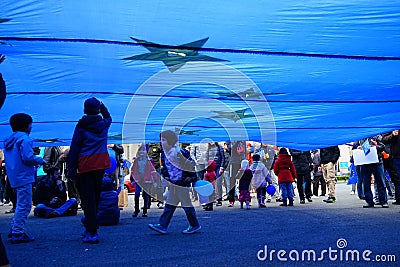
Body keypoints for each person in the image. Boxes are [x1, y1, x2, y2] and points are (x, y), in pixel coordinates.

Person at [68, 97, 112, 244]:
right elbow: (108, 116)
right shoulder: (103, 124)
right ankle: (89, 225)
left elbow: (74, 149)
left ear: (85, 110)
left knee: (87, 199)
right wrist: (102, 105)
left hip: (85, 165)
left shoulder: (80, 126)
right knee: (96, 197)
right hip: (100, 164)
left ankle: (92, 231)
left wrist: (71, 172)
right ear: (98, 110)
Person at [3, 113, 46, 243]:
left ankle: (15, 228)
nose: (31, 127)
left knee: (20, 203)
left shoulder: (8, 140)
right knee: (25, 205)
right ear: (26, 126)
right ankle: (17, 232)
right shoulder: (25, 140)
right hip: (24, 176)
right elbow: (28, 158)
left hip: (14, 176)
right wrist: (40, 160)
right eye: (30, 124)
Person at [148, 130, 201, 235]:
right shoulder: (164, 154)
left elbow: (190, 164)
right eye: (161, 140)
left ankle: (194, 225)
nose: (161, 142)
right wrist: (166, 177)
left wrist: (191, 177)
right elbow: (165, 167)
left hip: (182, 182)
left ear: (171, 141)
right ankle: (163, 225)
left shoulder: (179, 152)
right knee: (170, 204)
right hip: (174, 182)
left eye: (164, 140)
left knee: (185, 204)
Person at [131, 144, 158, 218]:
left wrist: (155, 181)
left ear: (146, 152)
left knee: (145, 195)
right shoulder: (136, 160)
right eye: (140, 150)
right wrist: (132, 179)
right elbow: (133, 170)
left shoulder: (149, 160)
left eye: (143, 150)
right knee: (136, 195)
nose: (142, 152)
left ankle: (145, 211)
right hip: (138, 180)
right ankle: (136, 210)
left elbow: (153, 171)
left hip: (147, 180)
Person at [382, 130, 400, 205]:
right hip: (396, 156)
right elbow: (384, 139)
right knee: (397, 178)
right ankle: (399, 198)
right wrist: (393, 135)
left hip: (395, 156)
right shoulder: (393, 125)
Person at [206, 142, 225, 206]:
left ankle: (219, 199)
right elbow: (206, 158)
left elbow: (223, 158)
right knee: (211, 183)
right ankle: (212, 198)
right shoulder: (208, 148)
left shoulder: (220, 148)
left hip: (218, 166)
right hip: (210, 168)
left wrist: (222, 167)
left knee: (218, 183)